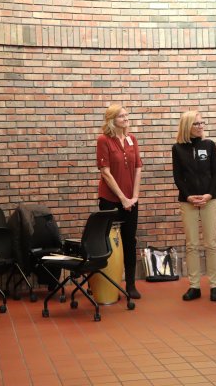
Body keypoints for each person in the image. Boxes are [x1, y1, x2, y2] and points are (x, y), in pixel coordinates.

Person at [172, 111, 216, 302]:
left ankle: (215, 286)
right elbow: (178, 177)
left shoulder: (208, 145)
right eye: (197, 124)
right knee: (192, 244)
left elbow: (215, 172)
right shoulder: (177, 148)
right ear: (187, 127)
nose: (201, 126)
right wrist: (189, 196)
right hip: (188, 200)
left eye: (202, 123)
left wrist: (209, 194)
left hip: (210, 199)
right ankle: (194, 286)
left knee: (211, 243)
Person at [96, 104, 143, 299]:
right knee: (109, 242)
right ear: (112, 120)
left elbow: (138, 167)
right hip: (110, 199)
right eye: (121, 116)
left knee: (129, 240)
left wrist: (134, 196)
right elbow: (105, 172)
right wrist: (122, 198)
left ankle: (130, 284)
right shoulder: (103, 140)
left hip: (131, 200)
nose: (126, 118)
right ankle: (106, 283)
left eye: (126, 115)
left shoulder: (132, 139)